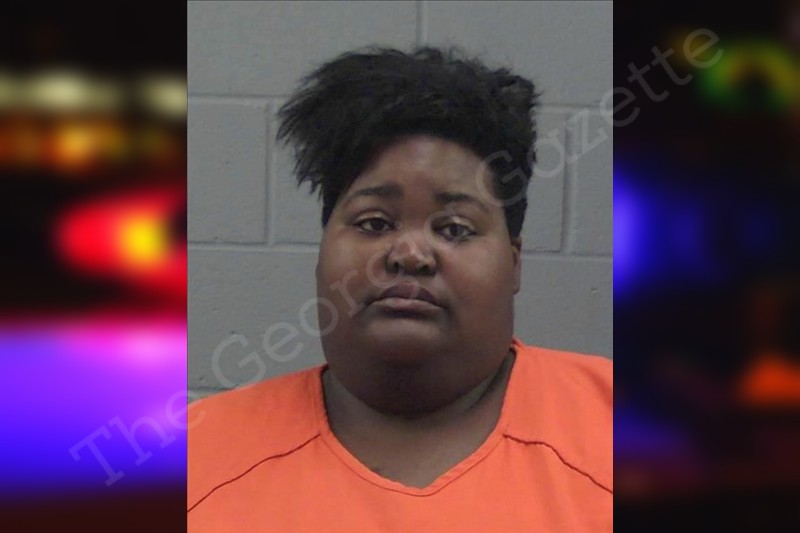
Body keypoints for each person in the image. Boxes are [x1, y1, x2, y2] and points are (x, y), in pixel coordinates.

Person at [187, 46, 612, 532]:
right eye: (374, 222)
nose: (410, 254)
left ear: (514, 263)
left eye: (454, 228)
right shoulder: (194, 461)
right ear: (323, 250)